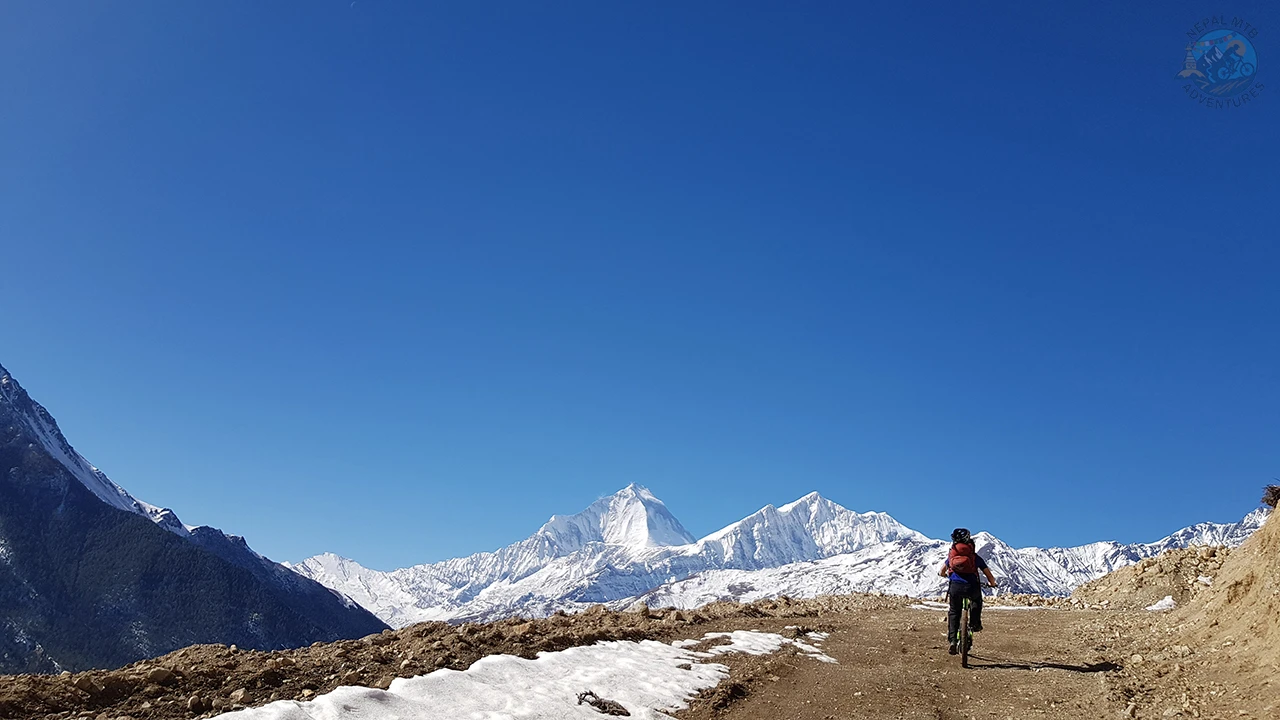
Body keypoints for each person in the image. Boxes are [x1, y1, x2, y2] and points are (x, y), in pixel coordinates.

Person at [938, 527, 997, 655]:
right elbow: (988, 574)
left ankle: (953, 641)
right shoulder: (975, 557)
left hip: (955, 587)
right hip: (972, 586)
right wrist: (992, 583)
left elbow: (942, 571)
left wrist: (944, 575)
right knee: (976, 601)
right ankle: (975, 623)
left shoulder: (952, 556)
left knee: (954, 611)